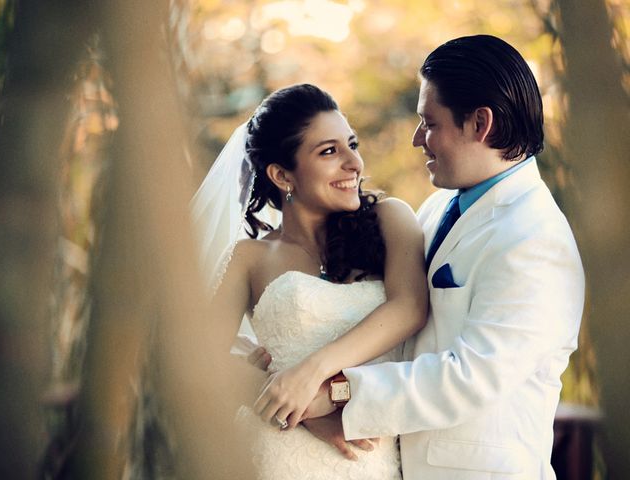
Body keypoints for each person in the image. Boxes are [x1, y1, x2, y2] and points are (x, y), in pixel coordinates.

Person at [267, 35, 585, 479]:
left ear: (480, 124)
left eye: (429, 123)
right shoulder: (437, 209)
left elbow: (471, 376)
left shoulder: (535, 238)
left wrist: (335, 390)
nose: (418, 139)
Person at [191, 83, 428, 478]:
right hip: (275, 454)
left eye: (352, 144)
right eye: (329, 151)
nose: (354, 163)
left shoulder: (391, 219)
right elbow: (203, 362)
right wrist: (303, 415)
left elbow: (410, 307)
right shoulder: (249, 257)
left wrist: (311, 375)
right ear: (282, 175)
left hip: (369, 456)